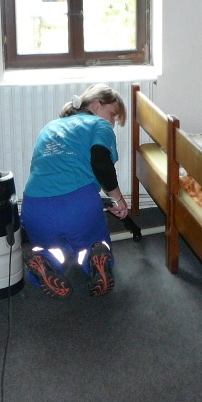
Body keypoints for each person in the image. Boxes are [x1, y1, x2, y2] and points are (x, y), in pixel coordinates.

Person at [21, 83, 129, 298]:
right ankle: (94, 262)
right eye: (113, 115)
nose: (112, 122)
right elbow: (101, 163)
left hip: (34, 207)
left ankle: (45, 260)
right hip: (77, 206)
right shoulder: (100, 125)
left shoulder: (51, 126)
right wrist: (118, 199)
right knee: (92, 245)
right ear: (97, 104)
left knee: (52, 248)